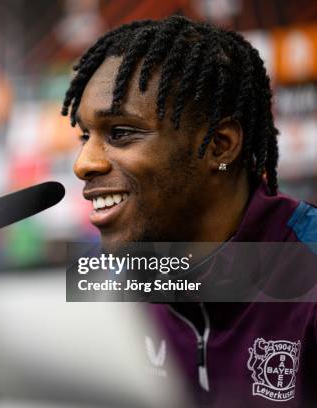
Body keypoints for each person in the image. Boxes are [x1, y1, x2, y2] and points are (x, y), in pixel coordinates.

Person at [62, 15, 317, 406]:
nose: (84, 163)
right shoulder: (108, 287)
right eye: (85, 136)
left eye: (120, 133)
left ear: (219, 145)